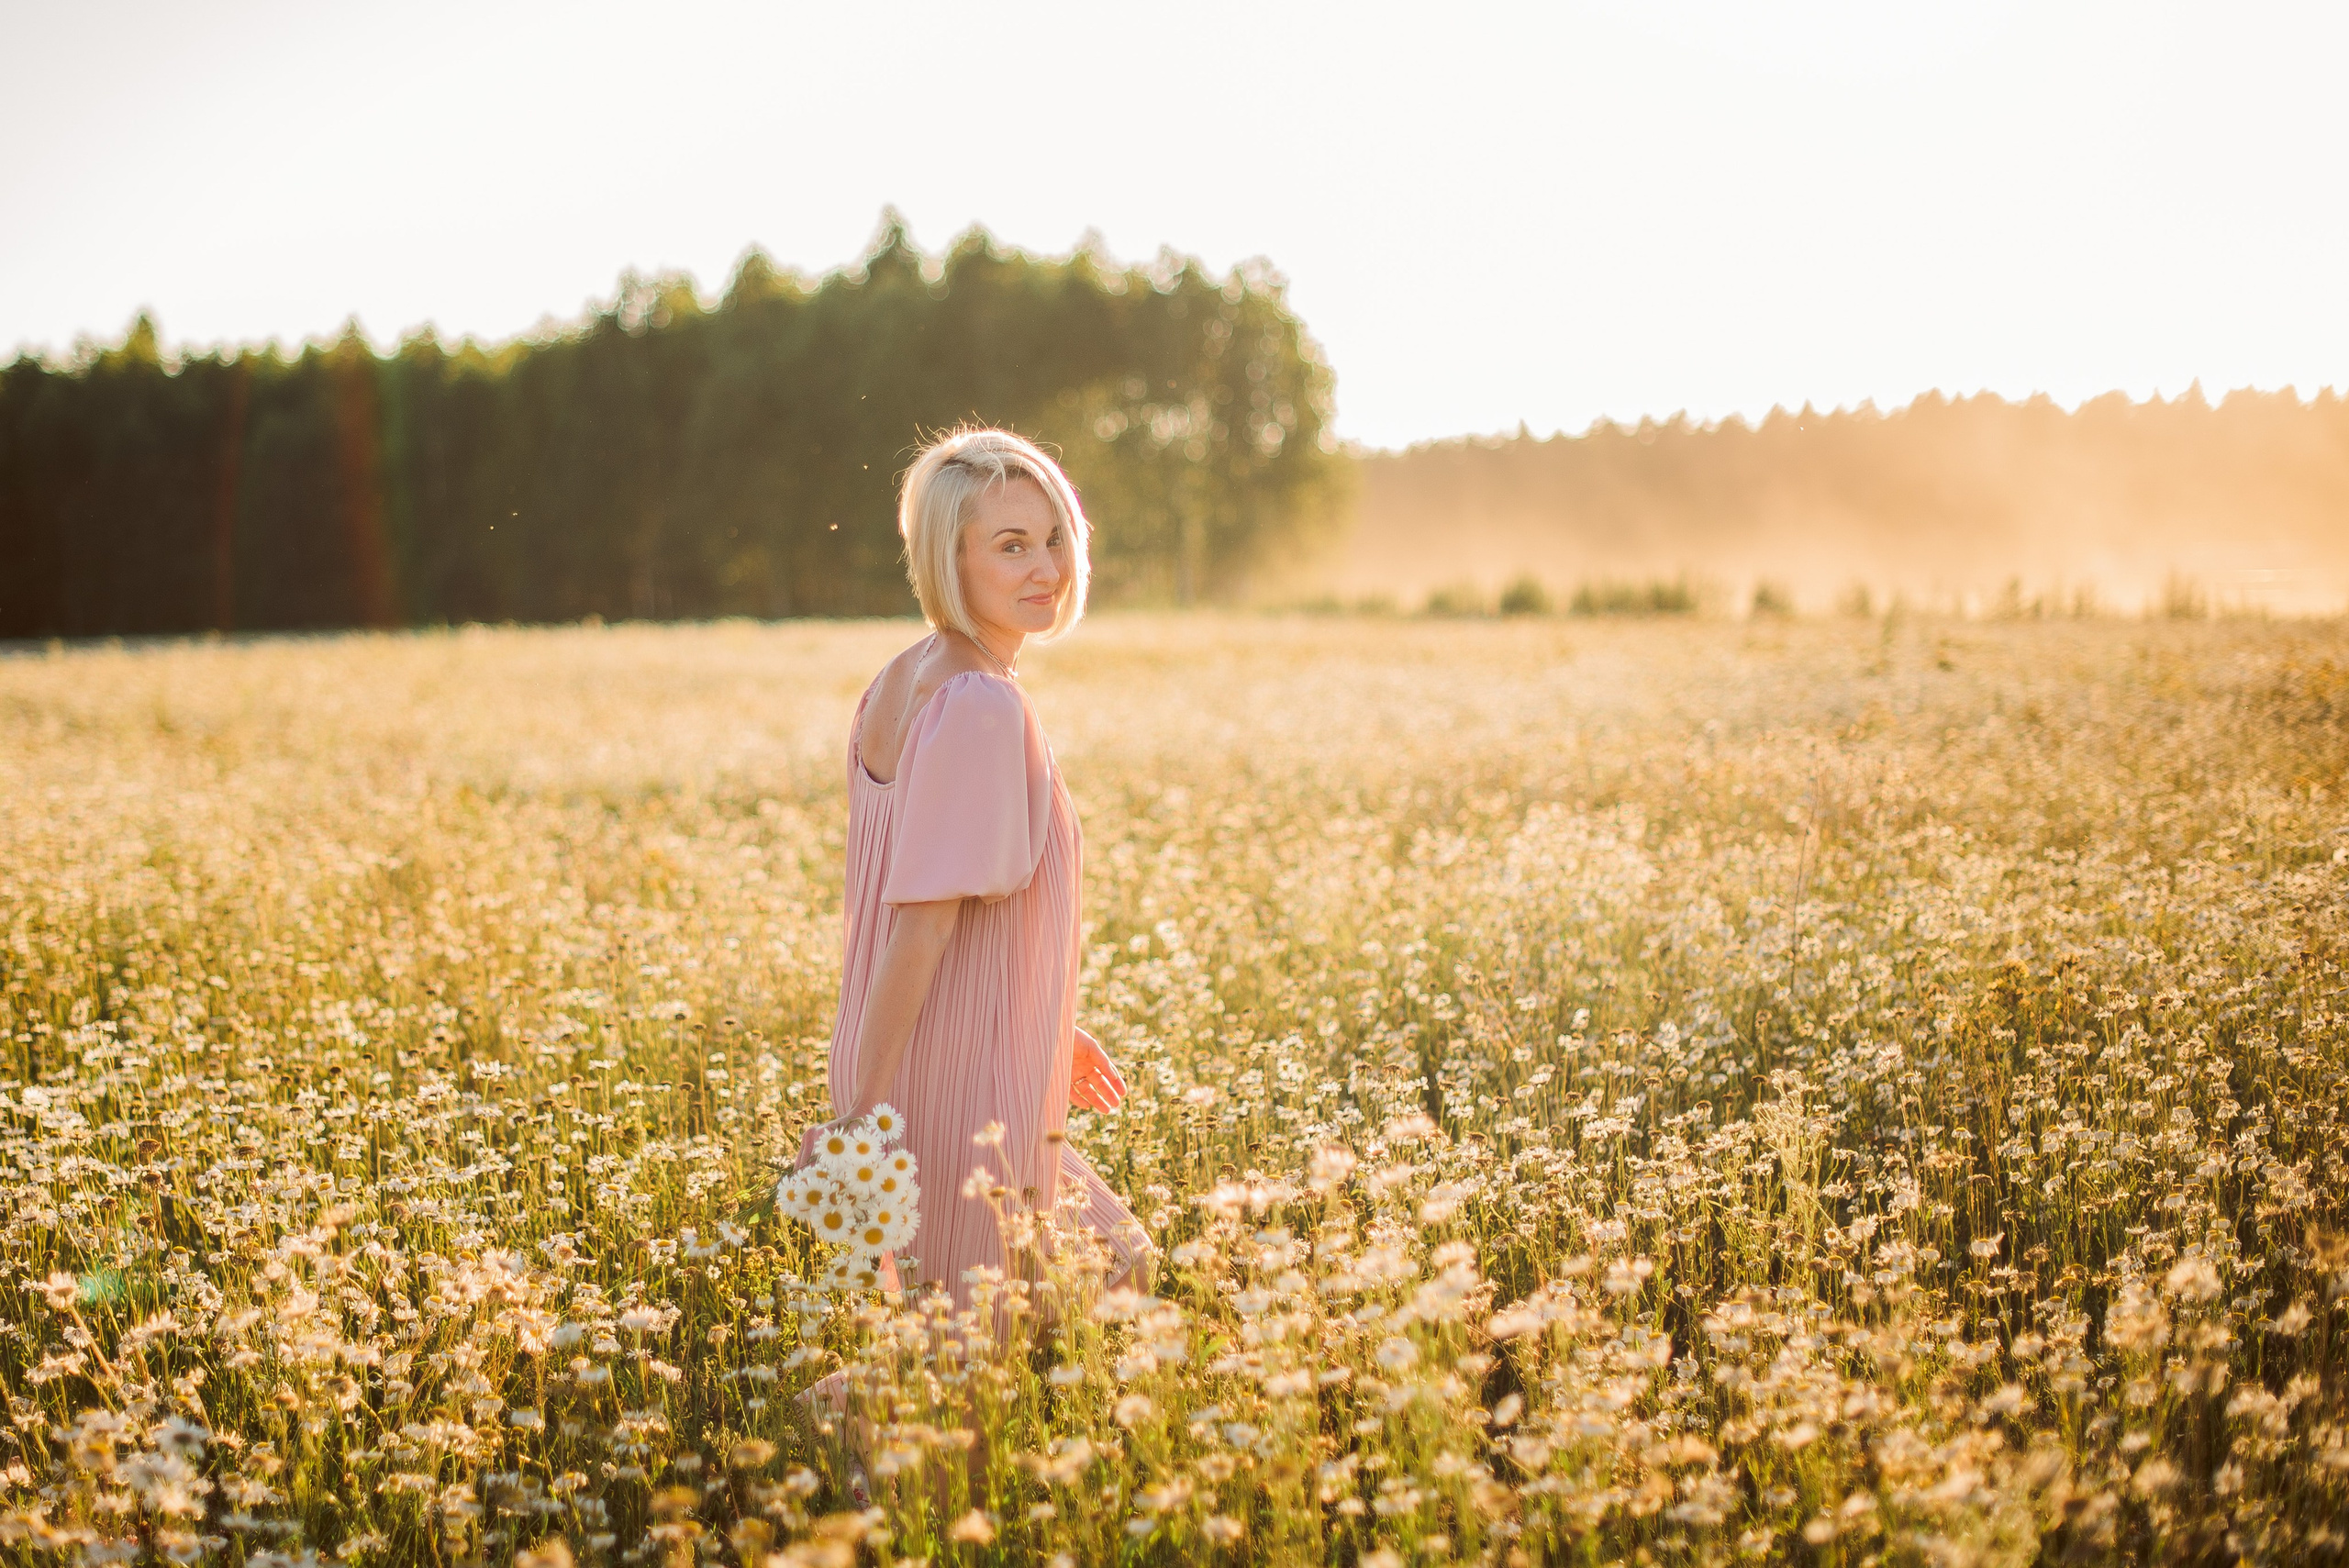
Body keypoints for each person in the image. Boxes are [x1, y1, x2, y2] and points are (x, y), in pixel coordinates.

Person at [797, 426, 1150, 1313]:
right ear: (949, 559)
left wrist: (1039, 1025)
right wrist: (861, 1125)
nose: (1046, 568)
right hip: (946, 1092)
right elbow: (921, 923)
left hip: (949, 1062)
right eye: (1010, 546)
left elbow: (946, 891)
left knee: (1108, 1269)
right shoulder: (980, 702)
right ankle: (787, 1439)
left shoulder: (903, 674)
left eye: (1055, 537)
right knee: (969, 1366)